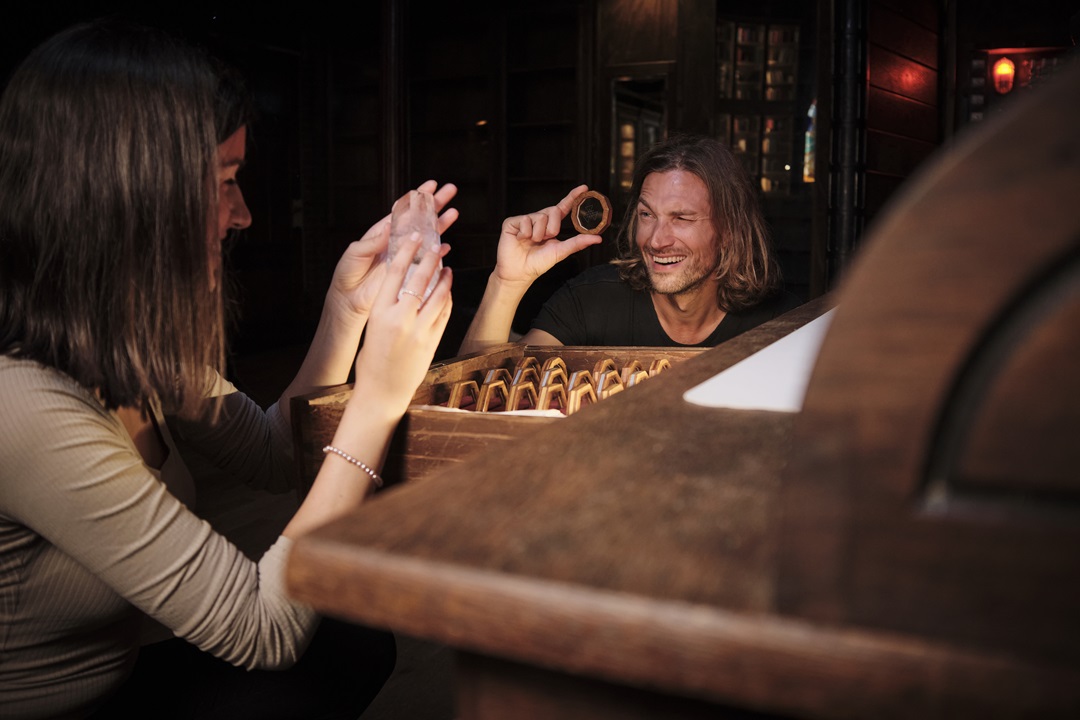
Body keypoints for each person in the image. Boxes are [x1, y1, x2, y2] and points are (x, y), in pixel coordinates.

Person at [0, 19, 455, 720]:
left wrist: (346, 307)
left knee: (355, 638)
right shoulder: (24, 402)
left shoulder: (127, 341)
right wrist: (377, 400)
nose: (241, 214)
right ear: (131, 195)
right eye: (225, 181)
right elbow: (263, 630)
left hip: (121, 679)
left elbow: (272, 453)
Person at [459, 134, 801, 354]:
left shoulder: (781, 325)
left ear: (728, 230)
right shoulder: (590, 300)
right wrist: (507, 282)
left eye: (682, 218)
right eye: (647, 214)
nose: (656, 240)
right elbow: (483, 392)